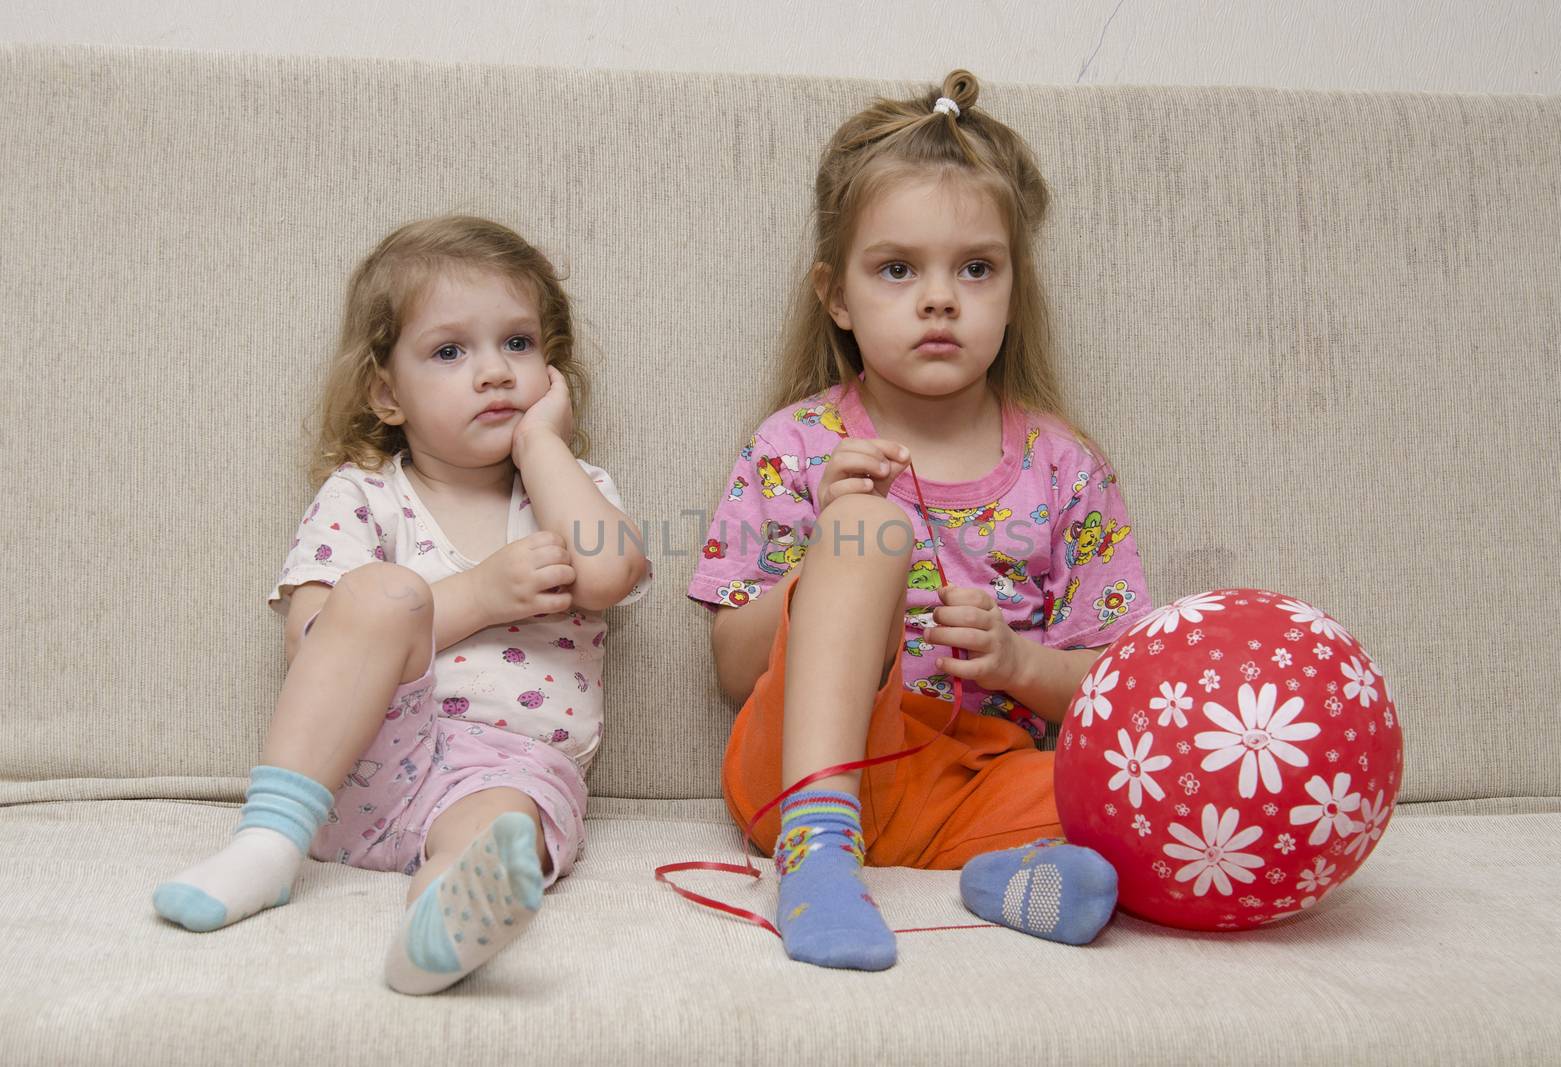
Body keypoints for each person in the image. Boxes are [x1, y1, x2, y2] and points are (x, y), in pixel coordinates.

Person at [689, 71, 1146, 970]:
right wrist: (828, 547)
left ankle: (1000, 876)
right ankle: (817, 855)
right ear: (837, 294)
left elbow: (1111, 691)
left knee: (1141, 789)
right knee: (872, 530)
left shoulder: (1065, 467)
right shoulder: (800, 445)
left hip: (972, 781)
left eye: (975, 268)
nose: (940, 299)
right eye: (897, 270)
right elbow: (737, 671)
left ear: (1014, 287)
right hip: (800, 768)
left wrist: (1021, 663)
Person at [153, 216, 650, 994]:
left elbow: (611, 568)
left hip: (507, 770)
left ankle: (439, 926)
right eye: (450, 351)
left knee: (496, 834)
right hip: (357, 764)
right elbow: (315, 639)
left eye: (517, 343)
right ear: (387, 392)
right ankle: (266, 845)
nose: (493, 372)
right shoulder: (363, 495)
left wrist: (543, 447)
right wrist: (481, 595)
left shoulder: (568, 491)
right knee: (382, 592)